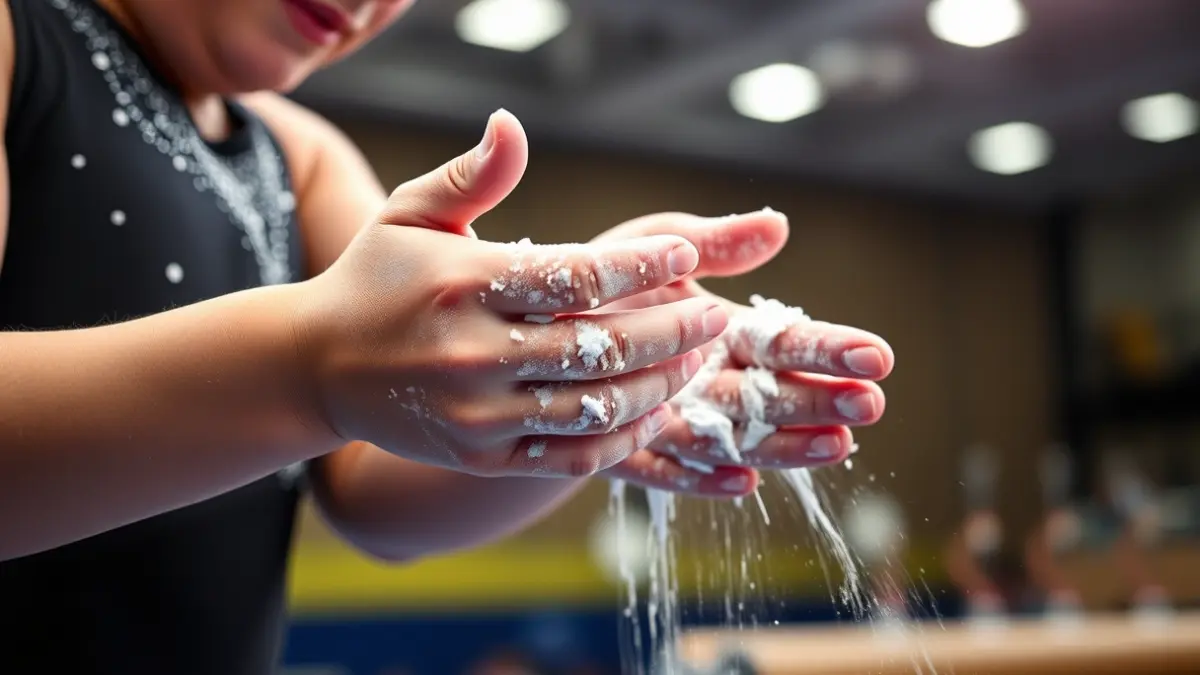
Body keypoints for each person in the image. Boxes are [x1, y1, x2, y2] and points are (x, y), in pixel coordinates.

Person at [0, 0, 894, 672]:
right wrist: (312, 368)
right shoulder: (19, 39)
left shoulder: (304, 158)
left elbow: (377, 489)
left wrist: (563, 391)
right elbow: (337, 377)